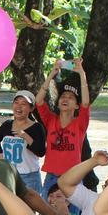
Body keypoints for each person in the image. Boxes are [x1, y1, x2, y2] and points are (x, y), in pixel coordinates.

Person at [35, 58, 91, 192]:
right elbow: (38, 101)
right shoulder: (50, 120)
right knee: (47, 212)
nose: (65, 98)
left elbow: (85, 103)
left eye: (70, 97)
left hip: (73, 177)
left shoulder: (80, 124)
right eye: (63, 96)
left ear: (76, 105)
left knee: (72, 214)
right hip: (51, 177)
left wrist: (82, 75)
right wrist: (51, 74)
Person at [0, 90, 47, 195]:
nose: (19, 107)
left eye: (23, 104)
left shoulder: (37, 127)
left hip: (29, 177)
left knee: (28, 210)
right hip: (8, 175)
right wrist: (0, 155)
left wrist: (25, 136)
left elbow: (41, 152)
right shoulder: (7, 124)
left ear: (31, 108)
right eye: (16, 102)